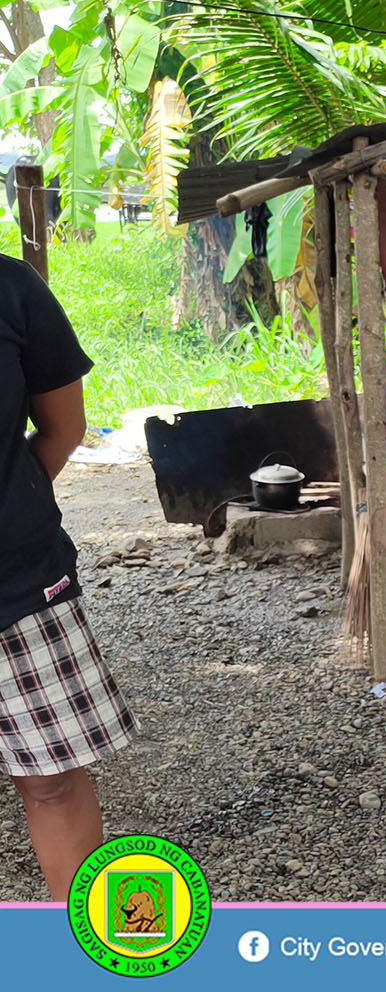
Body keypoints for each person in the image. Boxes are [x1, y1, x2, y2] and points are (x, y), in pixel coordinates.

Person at [1, 252, 137, 899]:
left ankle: (77, 950)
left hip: (20, 586)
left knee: (51, 778)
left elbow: (63, 427)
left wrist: (13, 508)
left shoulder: (11, 289)